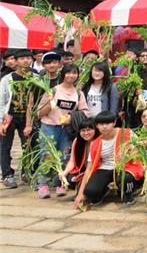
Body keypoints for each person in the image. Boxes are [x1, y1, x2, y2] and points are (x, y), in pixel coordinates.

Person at [36, 63, 90, 198]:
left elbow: (85, 112)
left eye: (74, 73)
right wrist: (49, 104)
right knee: (47, 156)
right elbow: (39, 113)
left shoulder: (78, 93)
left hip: (67, 130)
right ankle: (43, 185)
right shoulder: (53, 91)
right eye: (68, 72)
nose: (71, 75)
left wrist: (71, 117)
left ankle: (60, 183)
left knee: (64, 157)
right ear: (63, 74)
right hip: (49, 127)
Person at [75, 111, 145, 207]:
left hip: (125, 167)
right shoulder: (95, 143)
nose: (104, 126)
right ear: (97, 126)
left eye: (107, 123)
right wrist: (80, 193)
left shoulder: (127, 133)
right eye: (101, 124)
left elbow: (139, 150)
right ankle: (105, 189)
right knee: (90, 192)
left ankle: (128, 192)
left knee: (126, 179)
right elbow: (89, 168)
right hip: (106, 167)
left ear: (114, 123)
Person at [0, 49, 33, 188]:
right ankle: (7, 174)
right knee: (5, 146)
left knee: (27, 145)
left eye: (28, 58)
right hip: (10, 116)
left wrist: (30, 122)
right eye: (22, 58)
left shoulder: (34, 77)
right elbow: (2, 100)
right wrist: (1, 120)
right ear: (16, 61)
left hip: (26, 117)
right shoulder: (7, 79)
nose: (25, 61)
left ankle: (26, 172)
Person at [64, 116, 97, 190]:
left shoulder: (99, 141)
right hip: (83, 169)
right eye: (83, 130)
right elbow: (72, 161)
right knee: (64, 178)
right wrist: (65, 172)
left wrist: (84, 175)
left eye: (89, 130)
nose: (86, 133)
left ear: (95, 129)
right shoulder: (77, 141)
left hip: (96, 170)